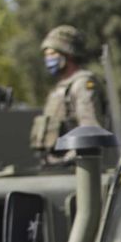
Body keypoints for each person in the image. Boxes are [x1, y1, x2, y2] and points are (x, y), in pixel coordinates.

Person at [29, 24, 108, 155]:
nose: (48, 59)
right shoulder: (59, 87)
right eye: (46, 55)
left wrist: (72, 157)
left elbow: (90, 132)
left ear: (68, 54)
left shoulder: (82, 84)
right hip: (53, 162)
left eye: (52, 54)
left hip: (75, 164)